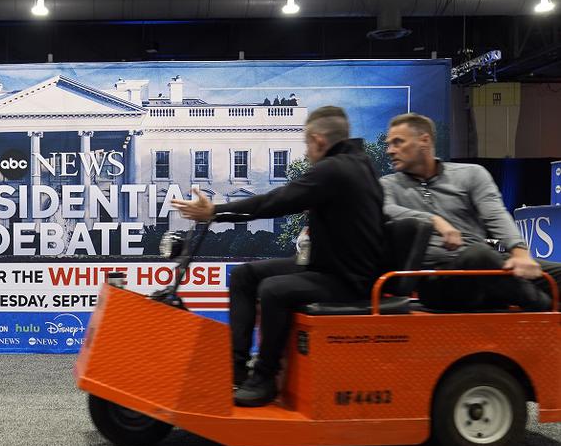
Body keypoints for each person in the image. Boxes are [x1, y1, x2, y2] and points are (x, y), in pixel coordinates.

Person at [173, 106, 385, 407]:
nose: (307, 153)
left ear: (318, 140)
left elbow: (277, 201)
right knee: (246, 275)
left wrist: (215, 212)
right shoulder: (356, 164)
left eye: (307, 145)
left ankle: (264, 378)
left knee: (273, 290)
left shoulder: (334, 169)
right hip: (329, 266)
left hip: (346, 280)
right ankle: (236, 367)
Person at [381, 112, 561, 311]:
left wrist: (520, 253)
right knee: (479, 255)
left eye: (398, 142)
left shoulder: (471, 174)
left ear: (424, 141)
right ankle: (548, 311)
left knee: (510, 264)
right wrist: (433, 220)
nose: (390, 150)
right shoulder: (388, 185)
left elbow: (495, 214)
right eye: (389, 144)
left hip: (487, 266)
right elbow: (386, 210)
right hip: (437, 279)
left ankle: (529, 298)